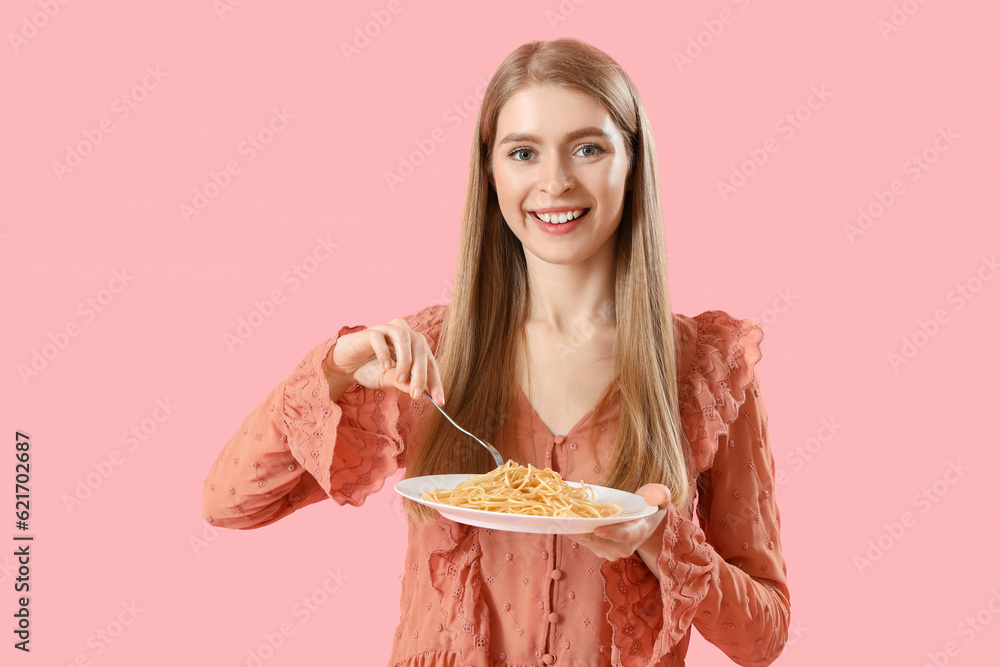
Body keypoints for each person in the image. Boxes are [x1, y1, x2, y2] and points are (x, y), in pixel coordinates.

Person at [202, 37, 790, 667]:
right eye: (523, 153)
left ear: (633, 162)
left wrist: (660, 539)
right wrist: (338, 369)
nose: (555, 181)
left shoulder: (707, 368)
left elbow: (765, 637)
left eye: (588, 148)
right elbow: (231, 503)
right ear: (491, 172)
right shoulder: (426, 355)